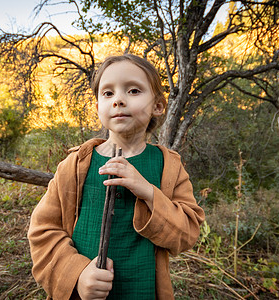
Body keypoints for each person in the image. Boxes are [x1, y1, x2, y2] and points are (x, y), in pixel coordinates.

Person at [28, 54, 205, 300]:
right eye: (108, 93)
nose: (118, 100)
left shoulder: (169, 166)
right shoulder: (75, 165)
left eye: (133, 90)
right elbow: (43, 230)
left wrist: (149, 192)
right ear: (98, 106)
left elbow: (188, 234)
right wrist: (77, 275)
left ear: (158, 105)